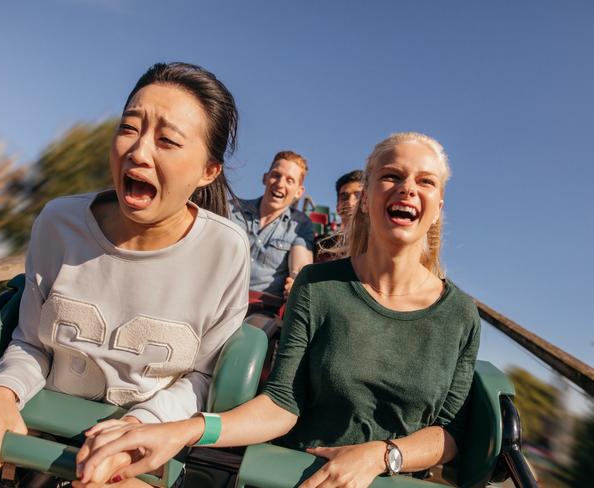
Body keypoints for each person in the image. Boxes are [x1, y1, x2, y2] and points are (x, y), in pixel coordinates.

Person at [73, 132, 481, 488]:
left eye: (425, 182)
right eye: (392, 176)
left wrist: (380, 456)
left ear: (438, 205)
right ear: (368, 194)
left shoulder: (460, 314)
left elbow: (449, 434)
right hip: (296, 473)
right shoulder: (320, 288)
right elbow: (283, 403)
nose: (408, 189)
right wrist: (183, 431)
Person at [0, 62, 250, 487]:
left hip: (144, 437)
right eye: (129, 128)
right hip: (36, 415)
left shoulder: (226, 251)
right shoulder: (58, 223)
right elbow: (31, 343)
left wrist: (144, 423)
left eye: (167, 141)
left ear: (207, 172)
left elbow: (201, 377)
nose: (139, 152)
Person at [229, 151, 314, 298]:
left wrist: (296, 280)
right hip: (215, 298)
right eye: (276, 175)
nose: (280, 184)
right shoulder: (231, 209)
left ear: (299, 192)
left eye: (289, 180)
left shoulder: (301, 224)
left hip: (260, 312)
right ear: (265, 178)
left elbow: (300, 267)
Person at [314, 169, 364, 262]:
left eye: (358, 196)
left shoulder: (383, 245)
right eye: (344, 197)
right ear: (337, 207)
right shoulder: (321, 247)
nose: (350, 202)